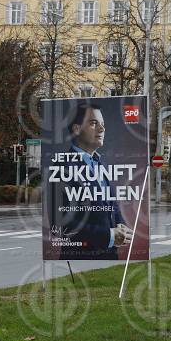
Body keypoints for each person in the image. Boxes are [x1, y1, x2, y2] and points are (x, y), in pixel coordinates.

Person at [46, 103, 134, 260]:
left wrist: (121, 225)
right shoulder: (62, 167)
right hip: (79, 259)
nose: (102, 129)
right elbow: (58, 225)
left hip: (109, 257)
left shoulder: (100, 164)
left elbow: (111, 206)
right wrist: (109, 235)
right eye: (94, 123)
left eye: (103, 125)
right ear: (76, 129)